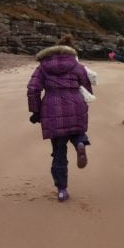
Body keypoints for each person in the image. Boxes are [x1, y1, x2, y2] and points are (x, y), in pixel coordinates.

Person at [27, 36, 93, 203]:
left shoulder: (43, 67)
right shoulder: (77, 66)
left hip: (52, 106)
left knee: (58, 152)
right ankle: (80, 143)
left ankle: (62, 190)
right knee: (78, 131)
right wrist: (83, 102)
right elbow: (86, 87)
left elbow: (33, 89)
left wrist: (35, 110)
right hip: (75, 104)